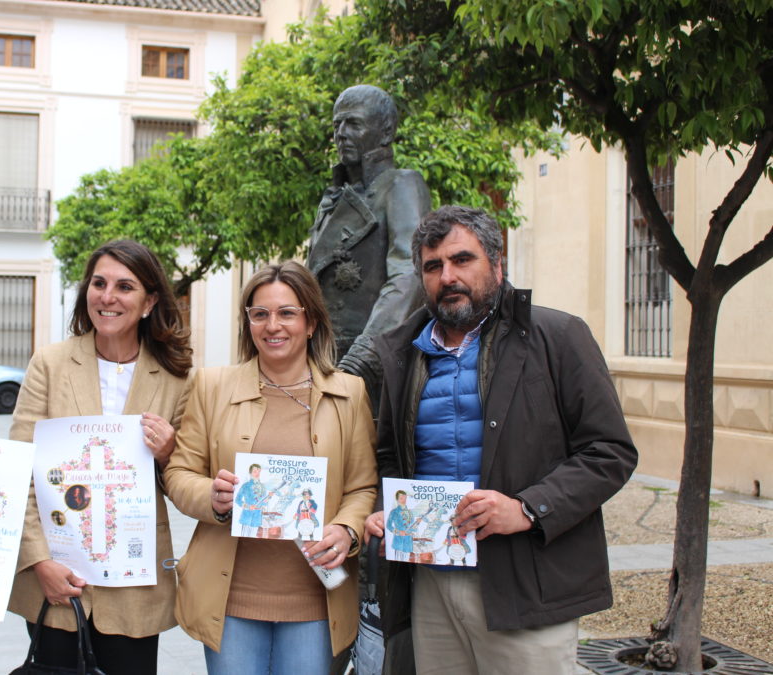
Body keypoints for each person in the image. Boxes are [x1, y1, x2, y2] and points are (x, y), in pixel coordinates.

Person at [365, 206, 638, 674]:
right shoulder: (402, 353)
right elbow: (390, 453)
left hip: (526, 585)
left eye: (461, 260)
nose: (447, 276)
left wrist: (529, 508)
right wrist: (387, 508)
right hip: (429, 582)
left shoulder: (558, 336)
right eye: (433, 267)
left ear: (497, 263)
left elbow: (610, 451)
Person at [165, 261, 377, 675]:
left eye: (286, 313)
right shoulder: (211, 387)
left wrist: (348, 529)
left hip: (316, 602)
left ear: (311, 322)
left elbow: (363, 486)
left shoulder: (349, 393)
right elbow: (179, 473)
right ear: (248, 324)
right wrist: (212, 497)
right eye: (260, 314)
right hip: (230, 601)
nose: (272, 325)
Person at [7, 239, 192, 675]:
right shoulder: (49, 365)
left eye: (124, 286)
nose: (108, 297)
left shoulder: (177, 378)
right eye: (99, 283)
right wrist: (38, 562)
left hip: (134, 584)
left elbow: (184, 480)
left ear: (149, 302)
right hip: (58, 579)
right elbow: (19, 471)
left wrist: (168, 453)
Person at [307, 84, 431, 405]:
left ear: (385, 130)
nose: (342, 134)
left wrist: (367, 352)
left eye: (354, 124)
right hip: (322, 356)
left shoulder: (401, 185)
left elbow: (409, 273)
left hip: (370, 362)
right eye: (337, 125)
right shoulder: (333, 199)